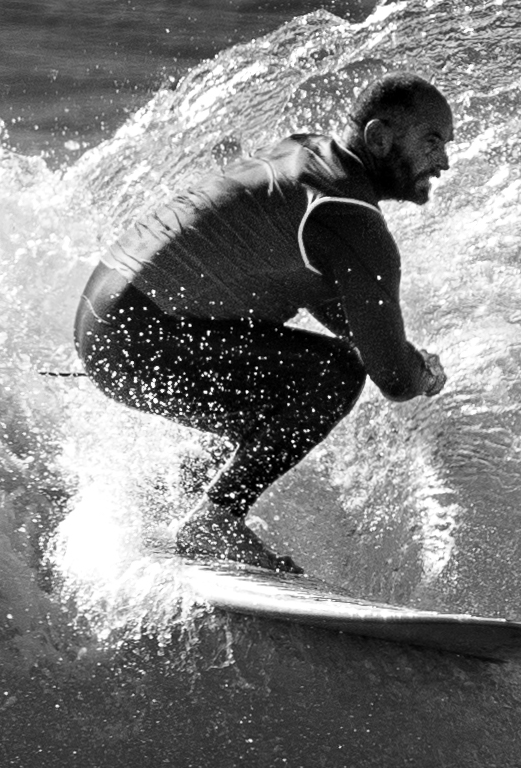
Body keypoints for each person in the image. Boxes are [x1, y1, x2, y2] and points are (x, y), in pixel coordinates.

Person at [74, 76, 454, 572]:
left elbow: (326, 294)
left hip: (103, 316)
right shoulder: (352, 221)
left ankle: (171, 497)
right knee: (333, 376)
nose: (443, 163)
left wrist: (387, 346)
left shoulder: (310, 153)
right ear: (380, 138)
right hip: (138, 333)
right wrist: (420, 372)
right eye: (432, 142)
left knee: (276, 408)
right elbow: (395, 380)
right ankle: (214, 523)